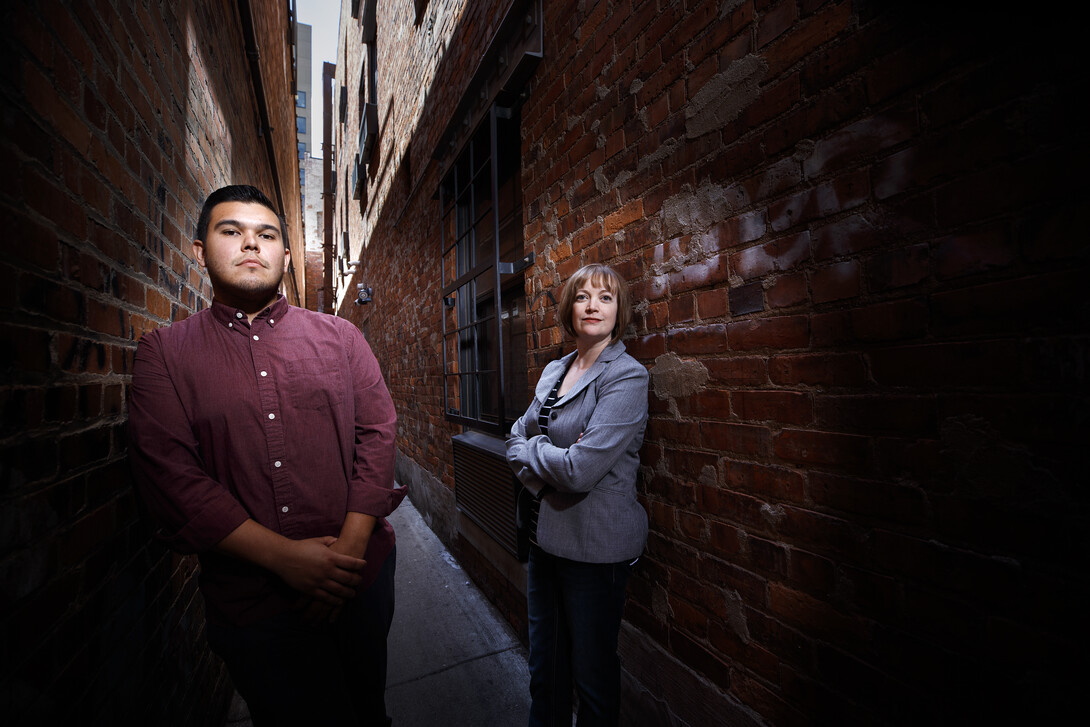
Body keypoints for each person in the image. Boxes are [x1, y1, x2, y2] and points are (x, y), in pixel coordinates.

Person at [128, 185, 405, 726]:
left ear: (284, 253)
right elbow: (172, 479)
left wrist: (342, 561)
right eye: (231, 231)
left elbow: (378, 433)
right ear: (200, 249)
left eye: (266, 234)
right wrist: (288, 561)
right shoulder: (164, 354)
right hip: (251, 602)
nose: (250, 244)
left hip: (359, 585)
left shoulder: (341, 337)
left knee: (367, 713)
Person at [505, 263, 650, 726]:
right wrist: (544, 460)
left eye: (605, 298)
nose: (593, 306)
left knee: (592, 680)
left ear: (618, 310)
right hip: (542, 537)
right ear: (570, 309)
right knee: (545, 670)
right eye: (583, 297)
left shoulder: (625, 377)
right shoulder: (555, 370)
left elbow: (581, 470)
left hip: (594, 550)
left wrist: (536, 453)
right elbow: (515, 437)